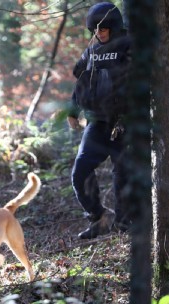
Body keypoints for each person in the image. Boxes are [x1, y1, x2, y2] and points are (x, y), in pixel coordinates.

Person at [68, 2, 131, 239]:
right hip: (97, 122)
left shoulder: (129, 46)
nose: (99, 33)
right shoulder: (91, 51)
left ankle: (125, 225)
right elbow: (81, 81)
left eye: (103, 28)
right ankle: (99, 218)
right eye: (95, 29)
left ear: (114, 26)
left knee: (122, 176)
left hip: (126, 123)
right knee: (80, 172)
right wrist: (73, 110)